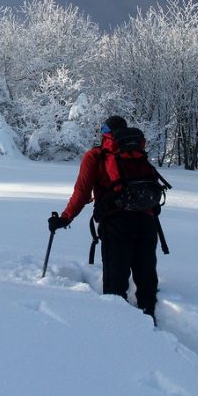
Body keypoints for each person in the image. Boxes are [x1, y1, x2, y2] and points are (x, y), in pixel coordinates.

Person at [48, 115, 160, 322]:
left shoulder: (96, 155)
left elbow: (82, 193)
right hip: (147, 222)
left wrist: (65, 218)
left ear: (104, 133)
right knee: (146, 279)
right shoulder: (137, 154)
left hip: (116, 222)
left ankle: (117, 328)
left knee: (115, 282)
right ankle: (151, 322)